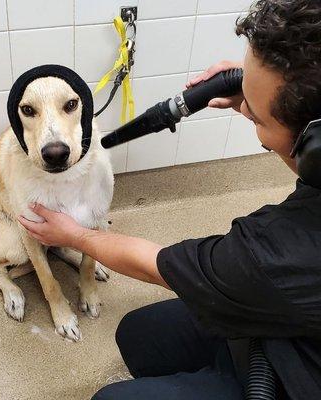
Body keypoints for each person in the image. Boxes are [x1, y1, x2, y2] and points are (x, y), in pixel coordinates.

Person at [19, 1, 321, 399]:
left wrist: (74, 236)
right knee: (138, 335)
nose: (244, 106)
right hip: (288, 315)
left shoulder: (279, 253)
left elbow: (161, 265)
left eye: (259, 117)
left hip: (300, 375)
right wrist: (260, 97)